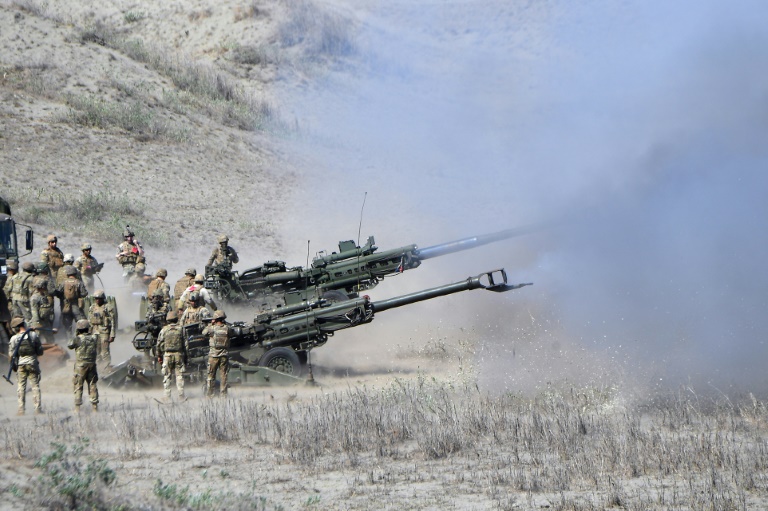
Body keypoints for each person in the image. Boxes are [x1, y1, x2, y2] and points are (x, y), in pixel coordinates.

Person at [8, 317, 44, 415]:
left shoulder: (13, 339)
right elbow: (40, 352)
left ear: (15, 328)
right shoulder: (33, 335)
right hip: (32, 363)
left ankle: (21, 410)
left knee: (21, 387)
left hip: (21, 364)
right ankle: (37, 409)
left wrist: (13, 367)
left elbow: (11, 356)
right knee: (35, 386)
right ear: (23, 325)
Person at [67, 319, 99, 412]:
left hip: (80, 366)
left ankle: (77, 408)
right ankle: (95, 408)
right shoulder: (94, 338)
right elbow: (96, 333)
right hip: (92, 365)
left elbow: (69, 345)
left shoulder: (77, 339)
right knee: (93, 385)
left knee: (78, 386)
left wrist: (75, 333)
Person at [157, 310, 186, 401]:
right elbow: (186, 344)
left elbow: (159, 343)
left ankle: (167, 396)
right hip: (179, 354)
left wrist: (158, 355)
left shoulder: (164, 330)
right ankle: (181, 395)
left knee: (167, 375)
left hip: (167, 355)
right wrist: (186, 355)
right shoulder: (181, 329)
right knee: (179, 375)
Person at [202, 309, 230, 398]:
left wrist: (211, 324)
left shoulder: (212, 328)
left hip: (213, 356)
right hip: (224, 355)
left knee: (211, 376)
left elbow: (204, 333)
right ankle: (224, 395)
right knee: (224, 376)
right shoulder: (227, 328)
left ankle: (210, 395)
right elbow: (231, 333)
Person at [88, 290, 116, 367]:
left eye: (99, 298)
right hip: (95, 331)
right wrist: (89, 333)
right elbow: (89, 321)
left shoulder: (108, 307)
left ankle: (107, 367)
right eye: (96, 298)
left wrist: (112, 335)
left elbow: (113, 321)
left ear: (102, 298)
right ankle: (99, 367)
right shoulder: (92, 307)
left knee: (105, 352)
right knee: (96, 352)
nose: (97, 300)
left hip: (104, 331)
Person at [59, 266, 88, 334]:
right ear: (75, 273)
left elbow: (59, 292)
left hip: (66, 306)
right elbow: (84, 293)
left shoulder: (64, 282)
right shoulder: (78, 282)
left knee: (68, 326)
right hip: (76, 305)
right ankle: (79, 338)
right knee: (81, 323)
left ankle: (69, 341)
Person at [30, 279, 55, 345]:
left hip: (45, 321)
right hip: (38, 322)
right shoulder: (35, 298)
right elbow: (34, 311)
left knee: (50, 338)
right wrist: (37, 322)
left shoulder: (43, 295)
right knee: (36, 339)